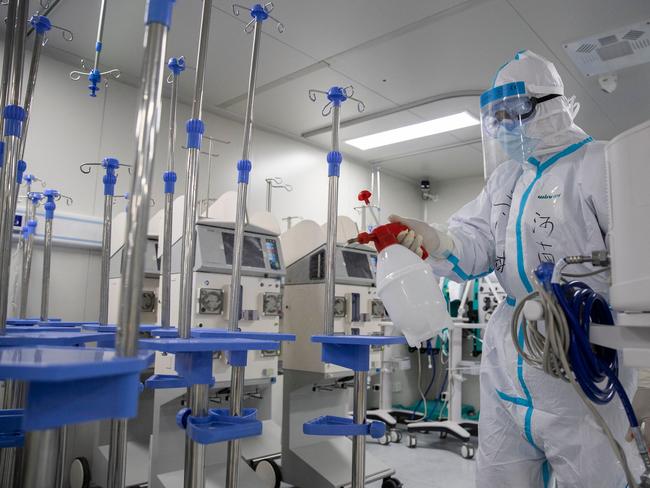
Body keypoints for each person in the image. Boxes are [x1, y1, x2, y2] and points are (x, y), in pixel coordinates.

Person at [390, 50, 645, 487]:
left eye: (515, 113)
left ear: (551, 106)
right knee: (497, 478)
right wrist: (439, 240)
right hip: (509, 361)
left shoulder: (600, 165)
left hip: (580, 367)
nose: (506, 127)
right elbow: (476, 247)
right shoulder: (505, 180)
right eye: (498, 118)